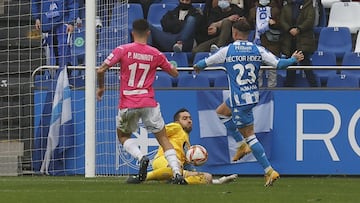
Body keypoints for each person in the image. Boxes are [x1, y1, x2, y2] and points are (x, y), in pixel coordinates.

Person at [193, 18, 304, 186]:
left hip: (239, 99)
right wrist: (293, 59)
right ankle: (240, 144)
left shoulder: (227, 50)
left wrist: (198, 65)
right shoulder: (258, 49)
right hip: (251, 96)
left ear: (234, 33)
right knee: (221, 112)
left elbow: (205, 63)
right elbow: (279, 64)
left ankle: (269, 170)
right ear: (248, 34)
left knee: (250, 136)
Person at [96, 19, 186, 185]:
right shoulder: (156, 53)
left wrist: (101, 88)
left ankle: (141, 157)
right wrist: (163, 65)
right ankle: (177, 173)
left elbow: (101, 69)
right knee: (164, 139)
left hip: (128, 102)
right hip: (149, 102)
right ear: (149, 33)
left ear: (132, 32)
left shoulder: (122, 49)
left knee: (123, 136)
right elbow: (175, 74)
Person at [127, 108, 238, 184]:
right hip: (163, 160)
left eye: (190, 118)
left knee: (207, 177)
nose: (189, 121)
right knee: (174, 170)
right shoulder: (176, 127)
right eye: (185, 118)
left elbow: (188, 168)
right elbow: (160, 130)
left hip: (177, 167)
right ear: (177, 121)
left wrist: (218, 181)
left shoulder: (186, 141)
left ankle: (180, 182)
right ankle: (142, 177)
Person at [279, 0, 318, 87]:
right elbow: (282, 20)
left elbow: (310, 20)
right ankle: (288, 88)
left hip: (303, 41)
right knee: (290, 65)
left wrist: (298, 29)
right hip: (290, 41)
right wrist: (289, 29)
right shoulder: (287, 5)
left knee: (306, 65)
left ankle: (314, 88)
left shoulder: (308, 5)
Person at [31, 0, 79, 67]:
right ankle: (55, 72)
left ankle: (65, 71)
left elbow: (73, 4)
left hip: (63, 23)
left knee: (64, 48)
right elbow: (35, 2)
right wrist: (37, 18)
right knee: (51, 53)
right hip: (47, 24)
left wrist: (71, 22)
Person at [248, 0, 282, 87]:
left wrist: (274, 23)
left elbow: (282, 25)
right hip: (258, 43)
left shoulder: (276, 9)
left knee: (272, 72)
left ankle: (272, 92)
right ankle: (258, 92)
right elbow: (249, 24)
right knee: (257, 71)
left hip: (272, 44)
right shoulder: (253, 10)